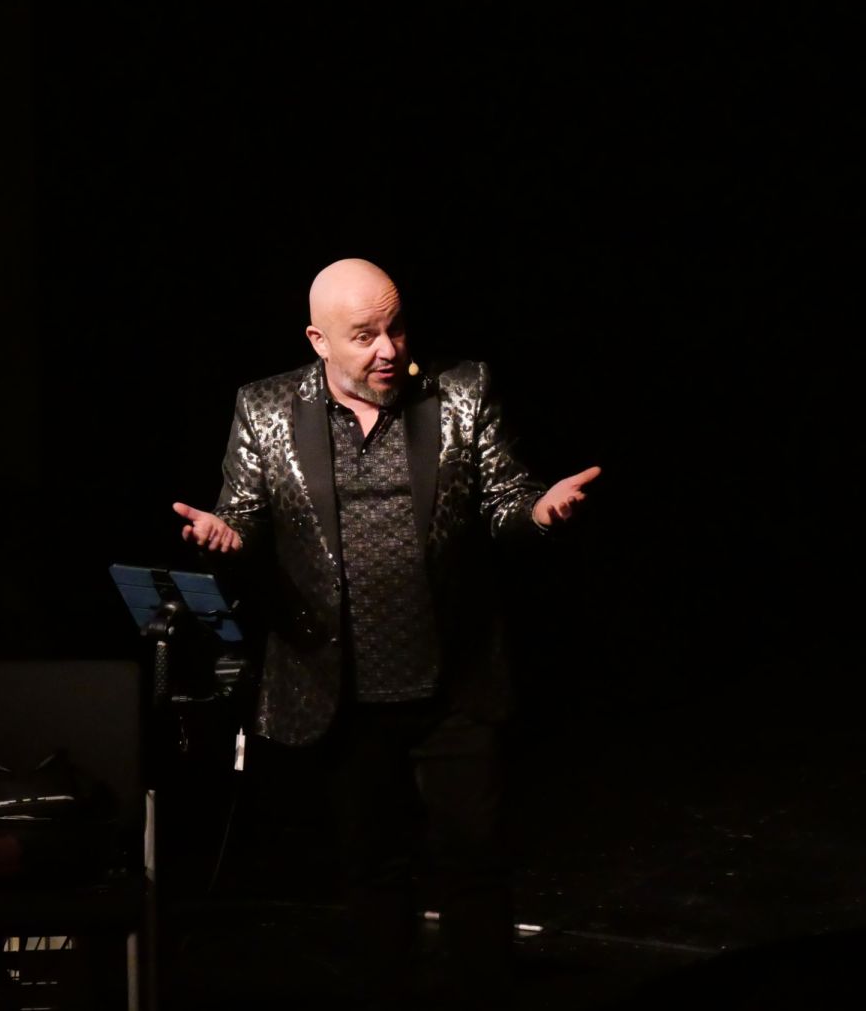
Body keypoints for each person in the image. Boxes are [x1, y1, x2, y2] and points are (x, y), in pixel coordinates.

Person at [172, 257, 599, 1009]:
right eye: (364, 335)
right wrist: (226, 537)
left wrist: (539, 513)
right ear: (319, 340)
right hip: (340, 685)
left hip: (453, 677)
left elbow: (506, 496)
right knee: (372, 868)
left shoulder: (461, 390)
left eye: (396, 328)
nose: (388, 349)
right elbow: (243, 511)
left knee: (474, 862)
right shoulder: (266, 407)